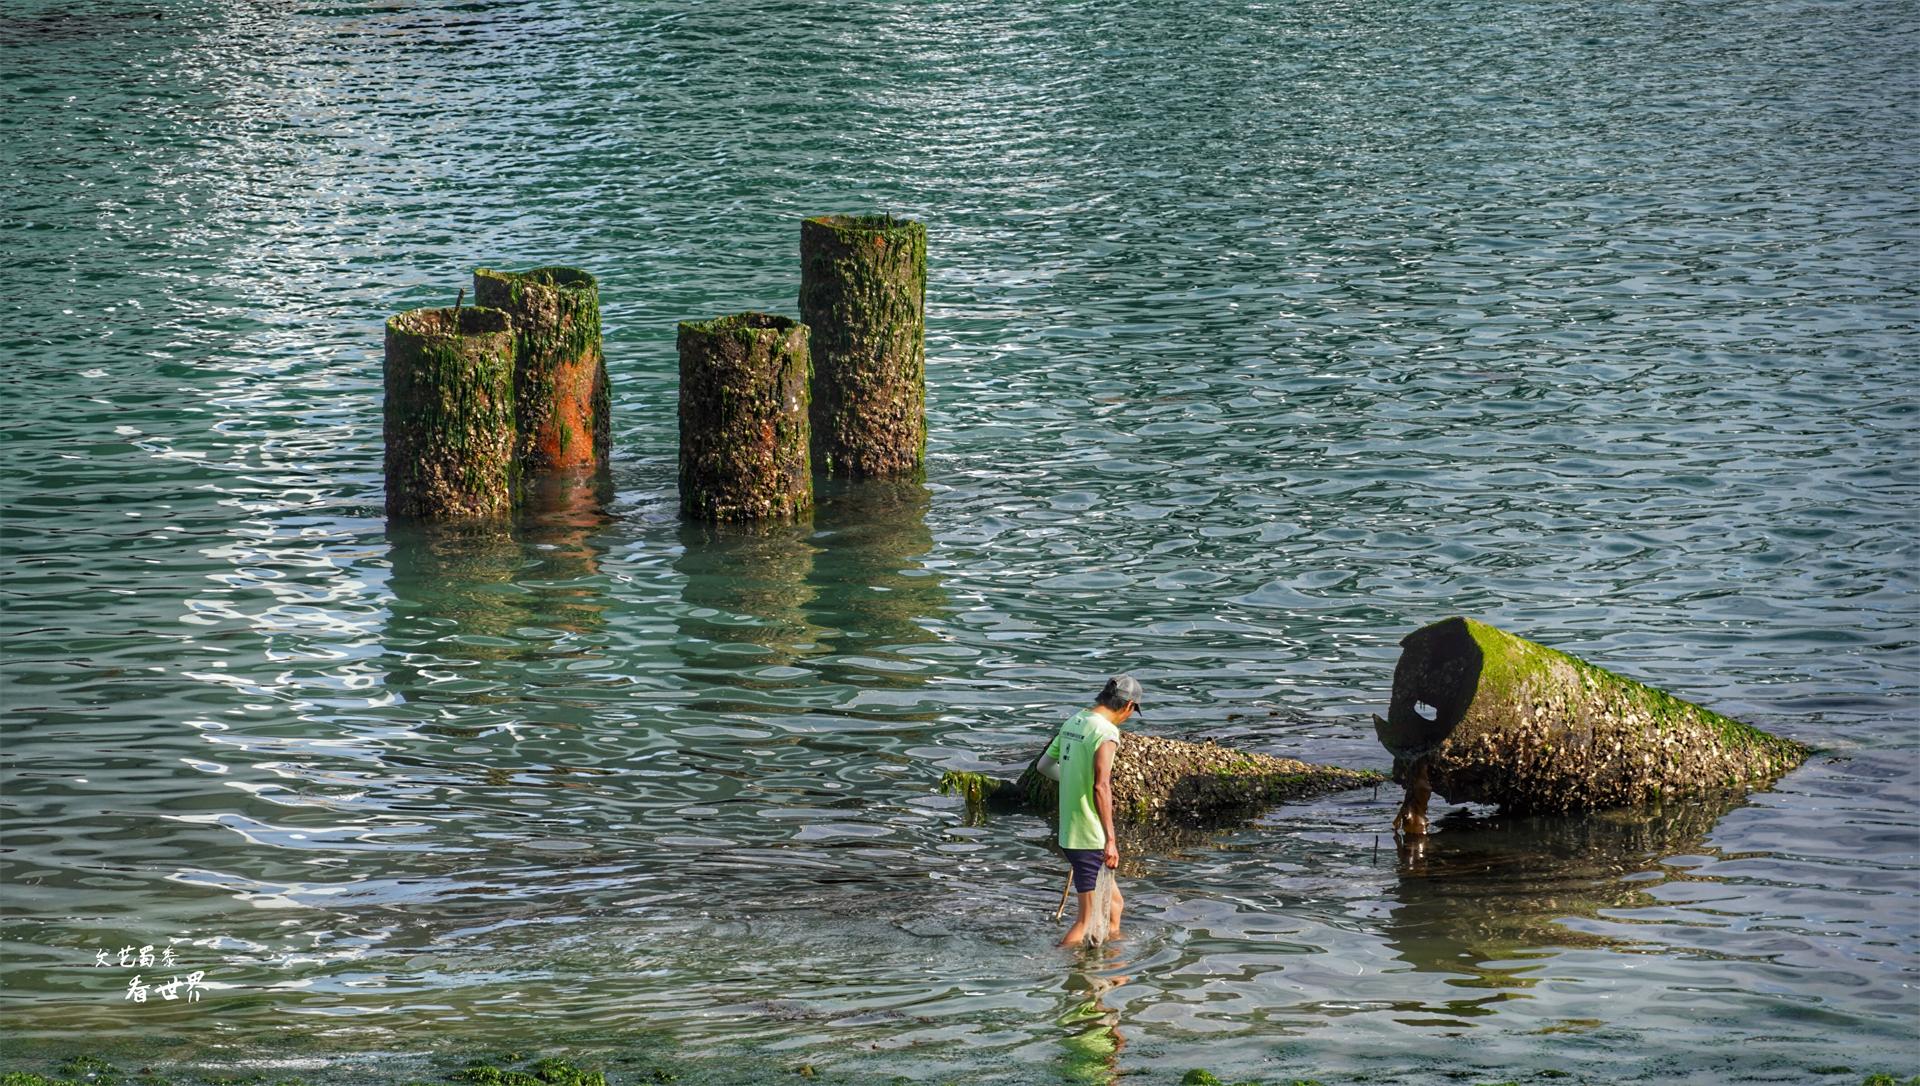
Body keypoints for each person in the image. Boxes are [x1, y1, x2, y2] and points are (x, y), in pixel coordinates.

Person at [1038, 675, 1142, 946]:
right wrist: (1111, 840)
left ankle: (1110, 968)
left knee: (1115, 906)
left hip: (1070, 834)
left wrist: (1074, 778)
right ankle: (1054, 967)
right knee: (1085, 921)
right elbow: (1101, 787)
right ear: (1128, 705)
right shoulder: (1106, 732)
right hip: (1088, 836)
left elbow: (1044, 767)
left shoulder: (1074, 721)